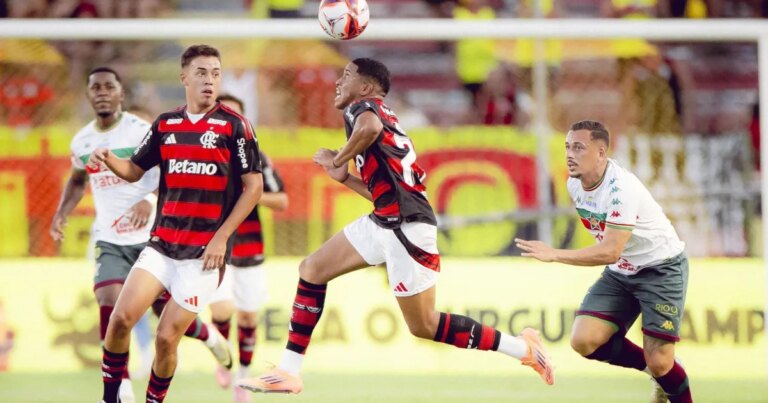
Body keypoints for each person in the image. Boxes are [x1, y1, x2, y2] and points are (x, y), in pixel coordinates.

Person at [237, 58, 554, 395]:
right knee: (312, 269)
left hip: (407, 227)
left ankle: (524, 349)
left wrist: (339, 158)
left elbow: (369, 129)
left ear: (366, 86)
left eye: (346, 76)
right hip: (386, 218)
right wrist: (344, 176)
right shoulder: (381, 116)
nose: (337, 82)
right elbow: (384, 186)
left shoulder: (363, 109)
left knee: (425, 325)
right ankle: (289, 370)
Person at [90, 45, 263, 403]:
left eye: (216, 73)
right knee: (120, 319)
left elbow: (254, 188)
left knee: (167, 338)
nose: (209, 80)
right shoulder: (166, 124)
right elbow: (135, 170)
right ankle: (111, 398)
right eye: (201, 73)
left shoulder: (235, 126)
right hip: (162, 245)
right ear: (184, 77)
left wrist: (221, 238)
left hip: (203, 256)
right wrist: (107, 158)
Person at [51, 67, 235, 399]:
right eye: (96, 88)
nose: (103, 92)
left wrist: (149, 201)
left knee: (164, 316)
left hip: (154, 240)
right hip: (109, 239)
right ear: (89, 95)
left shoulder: (141, 131)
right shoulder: (82, 141)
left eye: (110, 86)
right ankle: (120, 392)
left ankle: (208, 335)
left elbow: (173, 173)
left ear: (121, 93)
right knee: (110, 305)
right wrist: (61, 213)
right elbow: (78, 180)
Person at [515, 120, 692, 403]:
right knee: (583, 340)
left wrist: (555, 254)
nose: (570, 154)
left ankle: (664, 372)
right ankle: (660, 373)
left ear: (601, 152)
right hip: (622, 270)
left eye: (579, 148)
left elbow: (610, 250)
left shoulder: (621, 189)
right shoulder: (574, 183)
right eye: (567, 147)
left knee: (661, 361)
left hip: (660, 268)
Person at [208, 93, 289, 403]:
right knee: (222, 309)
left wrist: (251, 193)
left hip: (250, 247)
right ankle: (223, 360)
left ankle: (242, 376)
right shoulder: (206, 157)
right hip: (215, 247)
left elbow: (282, 200)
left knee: (247, 319)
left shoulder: (259, 158)